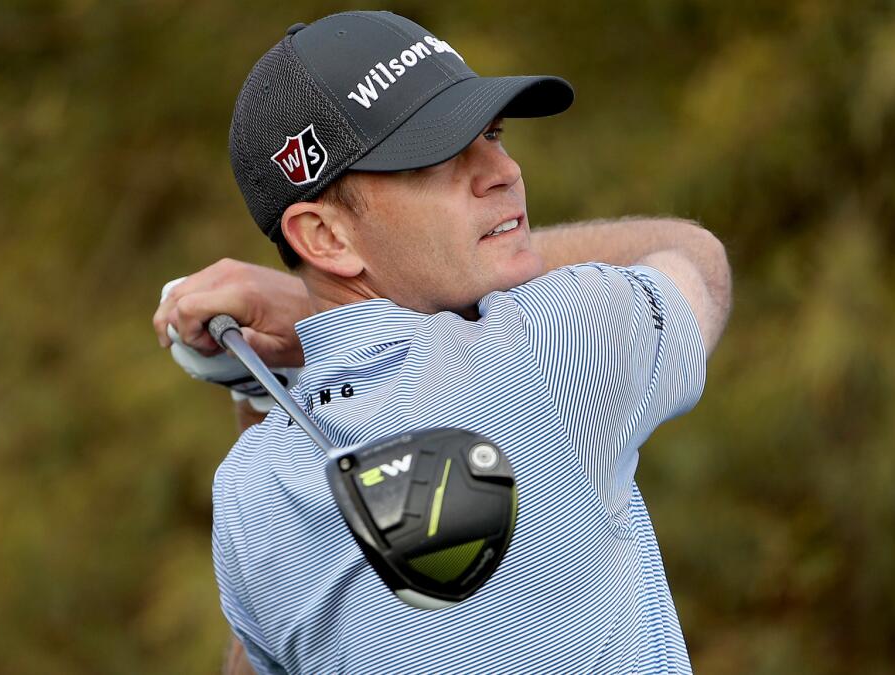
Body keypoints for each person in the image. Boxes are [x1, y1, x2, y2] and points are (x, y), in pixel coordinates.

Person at [152, 10, 731, 674]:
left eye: (491, 133)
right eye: (437, 153)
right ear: (327, 238)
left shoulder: (249, 499)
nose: (504, 169)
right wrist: (297, 318)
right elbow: (692, 255)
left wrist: (272, 365)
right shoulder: (554, 340)